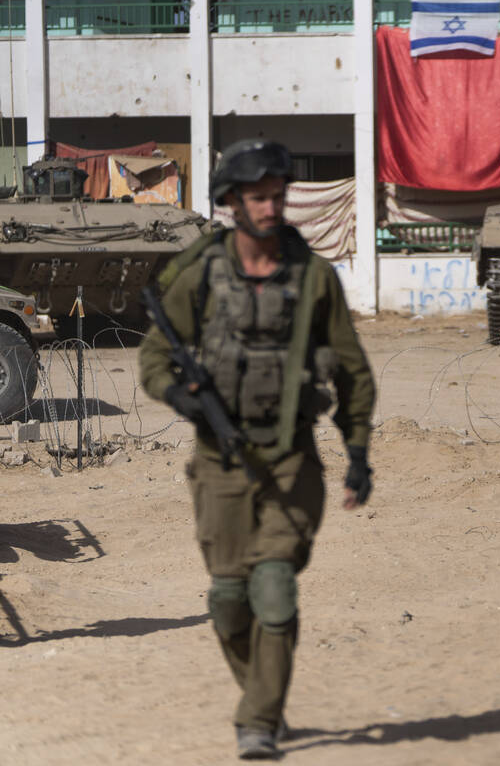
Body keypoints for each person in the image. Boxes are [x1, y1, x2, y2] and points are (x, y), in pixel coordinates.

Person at [138, 140, 376, 759]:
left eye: (279, 195)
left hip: (292, 458)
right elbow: (154, 356)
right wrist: (180, 397)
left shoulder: (313, 276)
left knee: (274, 587)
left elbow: (353, 370)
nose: (273, 207)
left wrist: (357, 453)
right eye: (259, 197)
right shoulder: (202, 271)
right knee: (228, 600)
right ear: (232, 203)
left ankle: (259, 719)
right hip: (217, 463)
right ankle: (262, 697)